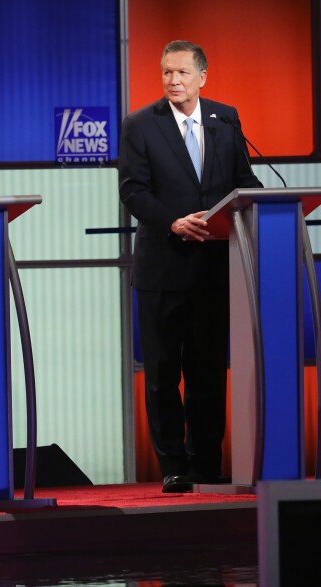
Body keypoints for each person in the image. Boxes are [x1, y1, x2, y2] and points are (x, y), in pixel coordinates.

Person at [119, 40, 262, 493]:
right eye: (166, 73)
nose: (173, 81)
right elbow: (133, 190)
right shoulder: (140, 125)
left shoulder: (225, 119)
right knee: (163, 374)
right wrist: (172, 222)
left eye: (181, 73)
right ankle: (174, 467)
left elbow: (244, 180)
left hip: (215, 268)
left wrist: (261, 202)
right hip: (164, 267)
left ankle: (207, 464)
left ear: (203, 76)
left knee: (207, 371)